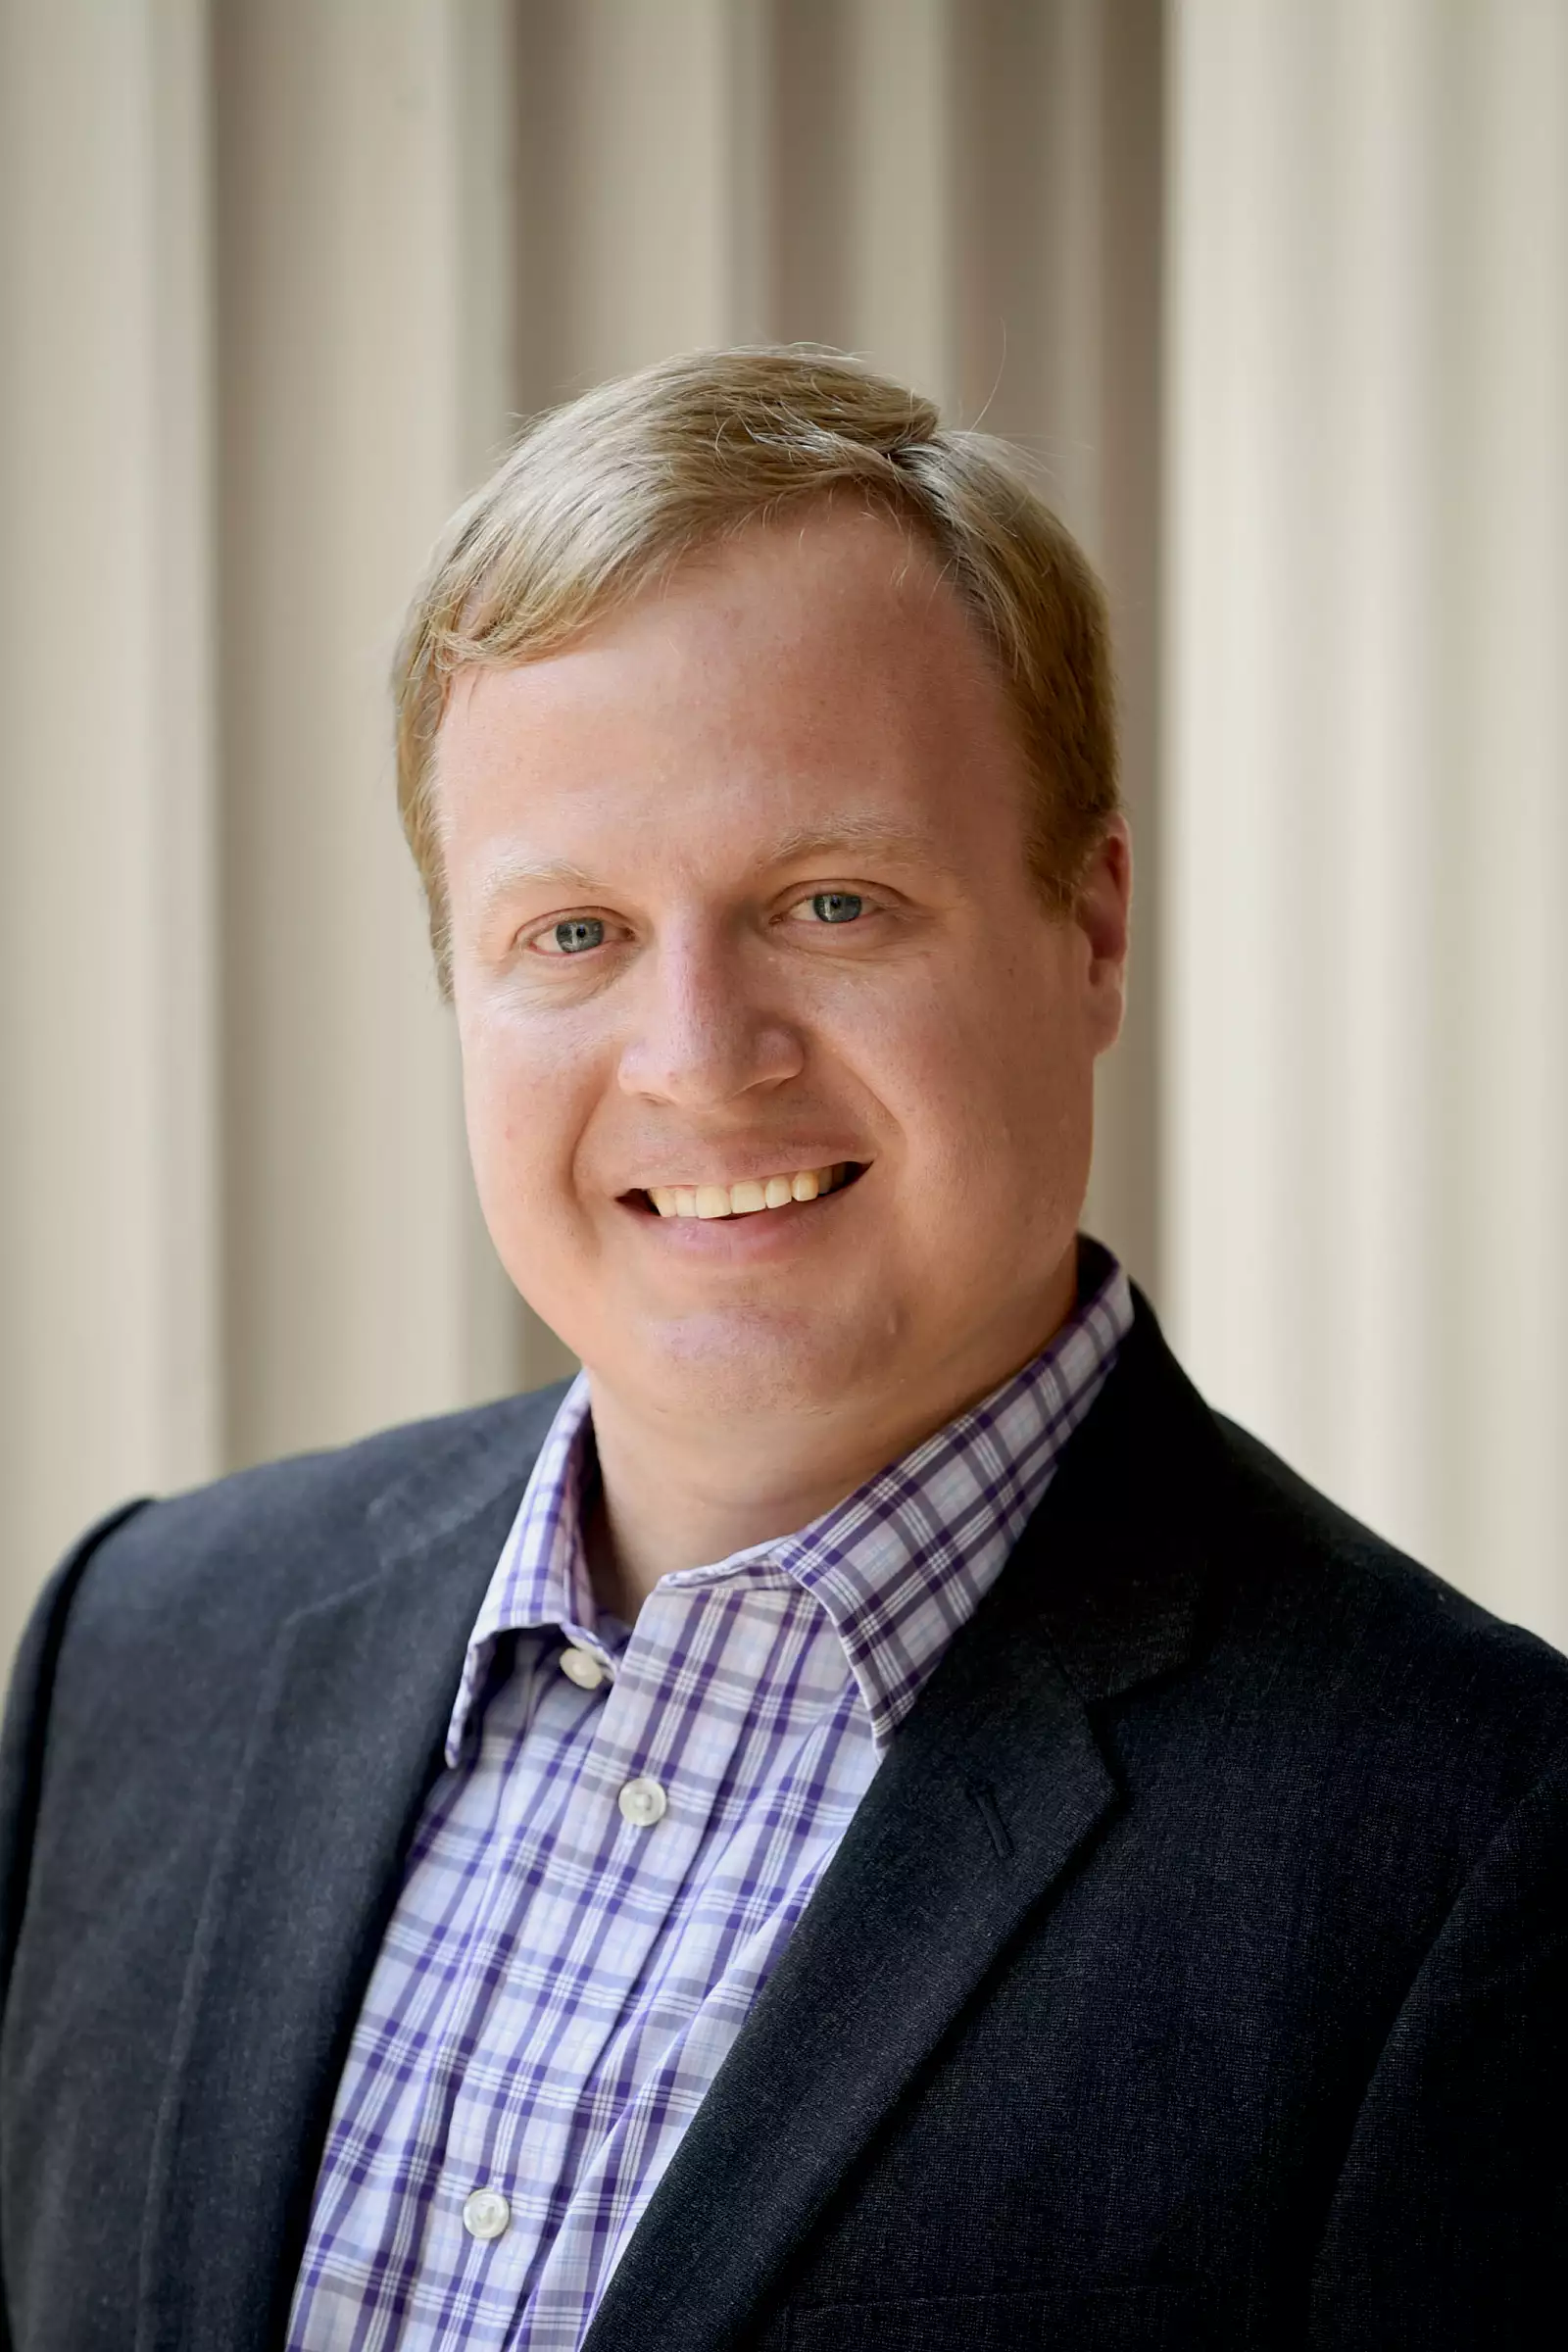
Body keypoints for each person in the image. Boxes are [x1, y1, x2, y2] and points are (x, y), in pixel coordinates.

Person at [1, 348, 1563, 2352]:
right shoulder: (143, 1652)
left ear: (1087, 929)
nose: (695, 1061)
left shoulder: (1463, 1841)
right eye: (568, 933)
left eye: (830, 903)